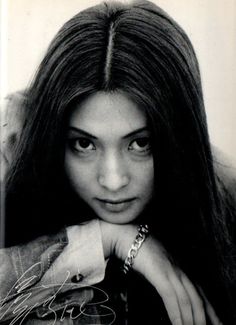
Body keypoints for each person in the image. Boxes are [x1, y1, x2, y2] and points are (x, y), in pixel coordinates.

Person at [1, 1, 236, 324]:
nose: (113, 181)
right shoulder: (13, 151)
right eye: (84, 144)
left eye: (140, 143)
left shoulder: (226, 198)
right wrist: (107, 239)